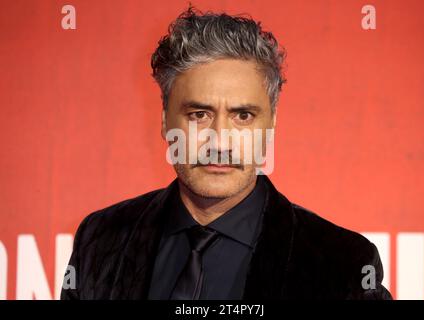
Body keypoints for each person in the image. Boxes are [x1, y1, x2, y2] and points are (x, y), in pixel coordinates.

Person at [61, 6, 392, 300]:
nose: (220, 142)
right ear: (165, 121)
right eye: (199, 115)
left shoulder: (344, 264)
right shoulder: (101, 239)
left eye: (243, 116)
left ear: (271, 124)